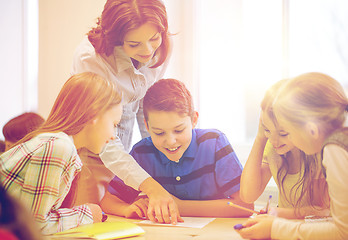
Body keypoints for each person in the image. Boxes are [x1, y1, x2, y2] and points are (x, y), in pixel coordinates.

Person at [71, 0, 180, 224]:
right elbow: (104, 141)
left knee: (126, 219)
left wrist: (158, 150)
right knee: (89, 221)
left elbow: (144, 105)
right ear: (116, 38)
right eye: (134, 44)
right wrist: (151, 186)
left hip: (123, 146)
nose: (148, 51)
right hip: (91, 147)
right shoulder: (91, 59)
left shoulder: (161, 48)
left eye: (154, 38)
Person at [100, 78, 254, 219]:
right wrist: (127, 209)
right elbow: (108, 201)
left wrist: (180, 206)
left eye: (179, 130)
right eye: (159, 133)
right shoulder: (142, 152)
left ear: (194, 120)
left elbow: (245, 205)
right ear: (147, 126)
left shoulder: (214, 143)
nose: (170, 141)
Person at [0, 72, 122, 234]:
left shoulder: (55, 142)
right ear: (94, 114)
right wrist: (86, 214)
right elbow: (36, 225)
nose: (114, 135)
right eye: (114, 124)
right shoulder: (58, 146)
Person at [237, 72, 348, 240]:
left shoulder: (334, 148)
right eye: (267, 130)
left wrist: (275, 228)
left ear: (312, 130)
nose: (275, 141)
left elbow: (342, 231)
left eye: (288, 132)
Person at [240, 79, 329, 219]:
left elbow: (324, 212)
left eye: (283, 134)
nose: (274, 141)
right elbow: (247, 195)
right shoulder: (273, 147)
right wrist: (260, 137)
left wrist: (282, 214)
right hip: (285, 230)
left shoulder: (320, 152)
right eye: (268, 130)